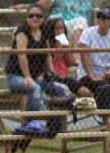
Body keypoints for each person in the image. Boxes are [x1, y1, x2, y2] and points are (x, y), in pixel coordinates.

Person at [4, 3, 70, 132]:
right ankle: (30, 123)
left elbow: (47, 55)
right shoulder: (22, 31)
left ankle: (56, 124)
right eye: (31, 15)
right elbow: (21, 56)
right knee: (34, 88)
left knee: (63, 89)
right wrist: (27, 77)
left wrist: (51, 72)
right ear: (26, 17)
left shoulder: (44, 31)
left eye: (38, 15)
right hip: (15, 77)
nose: (35, 18)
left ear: (43, 18)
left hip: (34, 78)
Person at [43, 17, 91, 97]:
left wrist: (67, 50)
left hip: (63, 76)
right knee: (70, 95)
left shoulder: (65, 41)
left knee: (85, 91)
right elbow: (48, 64)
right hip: (51, 77)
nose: (59, 31)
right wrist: (59, 53)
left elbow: (69, 63)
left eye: (61, 28)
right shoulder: (46, 42)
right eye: (56, 29)